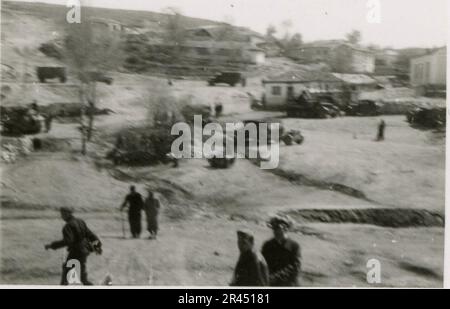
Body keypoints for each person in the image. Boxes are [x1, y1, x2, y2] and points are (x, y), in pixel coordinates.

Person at [44, 207, 102, 285]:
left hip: (76, 252)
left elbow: (68, 241)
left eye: (63, 214)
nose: (62, 216)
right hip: (85, 250)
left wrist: (52, 245)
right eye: (61, 214)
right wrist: (97, 247)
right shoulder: (80, 221)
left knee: (66, 274)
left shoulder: (67, 226)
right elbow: (91, 235)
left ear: (68, 214)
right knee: (82, 277)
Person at [261, 216, 301, 286]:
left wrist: (276, 276)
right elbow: (262, 263)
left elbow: (295, 267)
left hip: (288, 284)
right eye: (274, 228)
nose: (276, 231)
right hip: (270, 283)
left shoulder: (294, 246)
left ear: (286, 229)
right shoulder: (268, 245)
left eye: (278, 228)